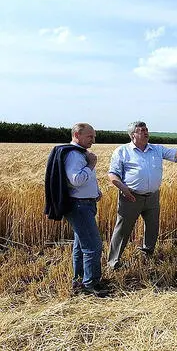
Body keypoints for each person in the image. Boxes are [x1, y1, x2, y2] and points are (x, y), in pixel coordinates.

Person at [107, 121, 177, 269]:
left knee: (152, 227)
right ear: (133, 135)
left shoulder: (156, 149)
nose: (145, 132)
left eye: (146, 129)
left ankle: (147, 253)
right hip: (131, 197)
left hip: (152, 197)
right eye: (141, 130)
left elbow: (175, 153)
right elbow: (112, 174)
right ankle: (113, 262)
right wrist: (124, 189)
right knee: (123, 229)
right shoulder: (122, 151)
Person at [45, 123, 107, 296]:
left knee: (81, 245)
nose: (93, 140)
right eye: (90, 136)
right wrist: (92, 164)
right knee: (93, 246)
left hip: (83, 203)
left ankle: (79, 280)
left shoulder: (78, 153)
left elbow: (80, 182)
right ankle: (91, 284)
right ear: (77, 135)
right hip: (79, 206)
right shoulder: (74, 155)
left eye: (94, 136)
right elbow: (76, 180)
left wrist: (95, 191)